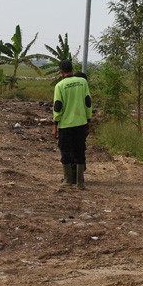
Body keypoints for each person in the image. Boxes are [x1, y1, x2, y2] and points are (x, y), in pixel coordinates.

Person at [53, 59, 92, 189]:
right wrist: (88, 120)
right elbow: (88, 102)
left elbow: (58, 107)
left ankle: (68, 180)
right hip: (81, 123)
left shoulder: (60, 86)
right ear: (72, 69)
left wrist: (55, 125)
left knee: (66, 152)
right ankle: (80, 182)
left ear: (61, 72)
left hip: (66, 125)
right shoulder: (83, 82)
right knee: (80, 151)